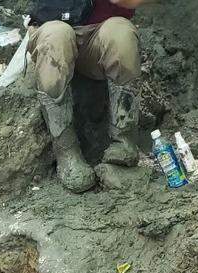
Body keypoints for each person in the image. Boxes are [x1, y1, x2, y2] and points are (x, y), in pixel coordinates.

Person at [28, 0, 145, 192]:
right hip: (53, 27)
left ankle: (123, 143)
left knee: (121, 33)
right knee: (56, 36)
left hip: (101, 34)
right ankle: (67, 152)